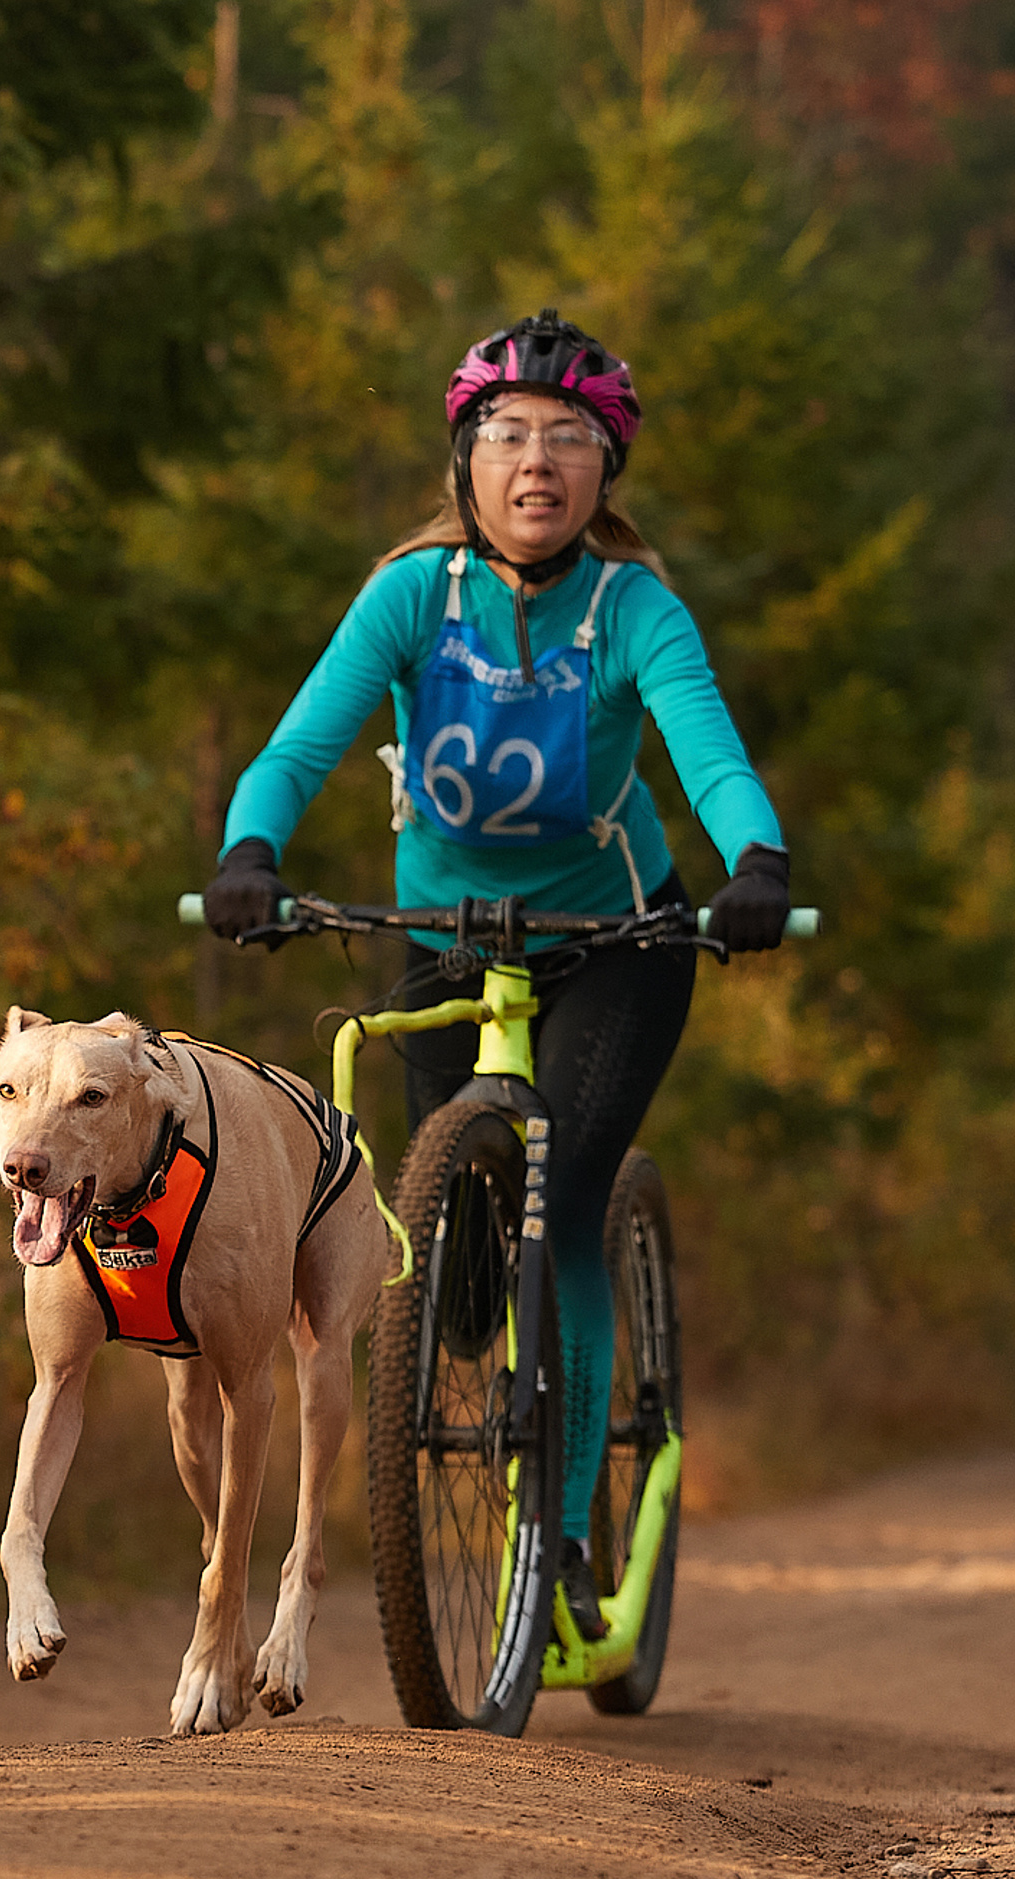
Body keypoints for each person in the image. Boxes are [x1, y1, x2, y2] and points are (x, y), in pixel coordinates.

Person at [200, 311, 789, 1639]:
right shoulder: (414, 595)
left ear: (604, 470)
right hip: (444, 935)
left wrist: (757, 859)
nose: (537, 461)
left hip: (619, 944)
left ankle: (565, 1528)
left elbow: (708, 756)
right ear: (465, 461)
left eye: (568, 438)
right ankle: (461, 1319)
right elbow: (299, 747)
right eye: (509, 434)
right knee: (448, 1261)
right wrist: (250, 850)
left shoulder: (635, 611)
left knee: (560, 1192)